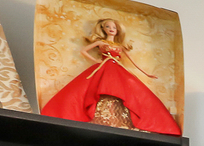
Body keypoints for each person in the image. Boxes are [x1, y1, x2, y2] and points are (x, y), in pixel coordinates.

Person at [40, 18, 181, 135]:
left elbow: (133, 62)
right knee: (90, 89)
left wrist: (146, 73)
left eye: (114, 27)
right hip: (104, 68)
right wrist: (96, 61)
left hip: (117, 70)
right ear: (103, 29)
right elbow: (84, 50)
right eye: (108, 27)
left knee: (129, 92)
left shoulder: (120, 46)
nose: (111, 29)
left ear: (117, 30)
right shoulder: (101, 43)